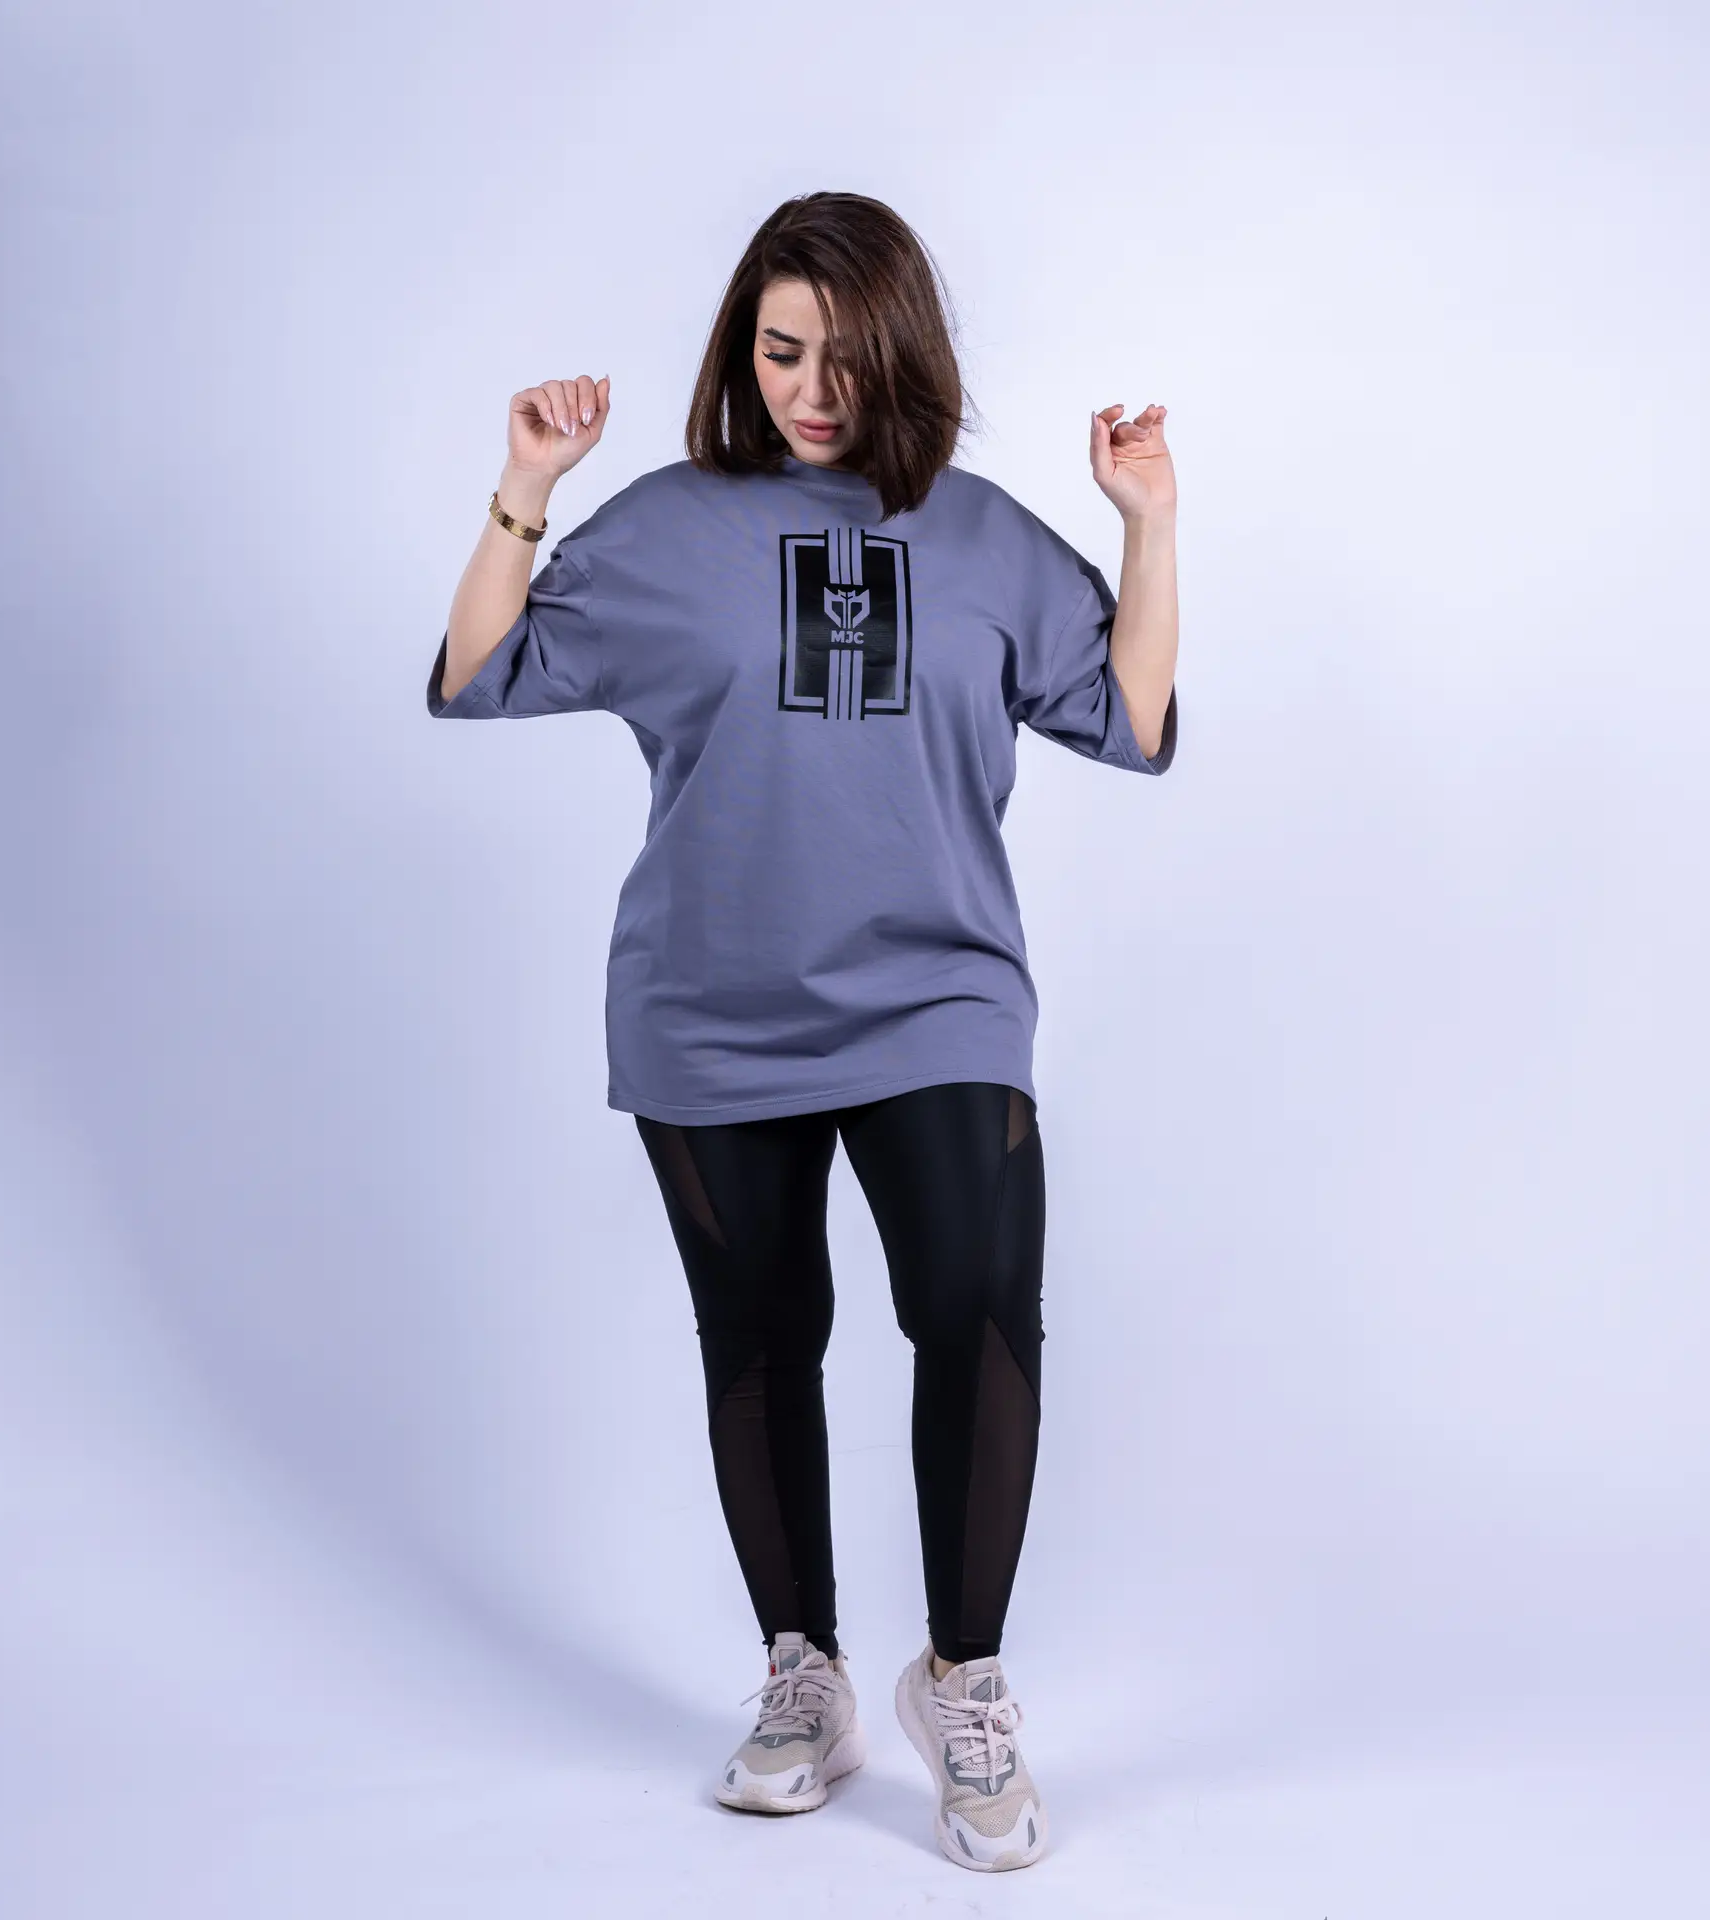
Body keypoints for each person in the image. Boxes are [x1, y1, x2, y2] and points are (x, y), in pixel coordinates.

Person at [425, 191, 1178, 1873]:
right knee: (762, 1338)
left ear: (909, 353)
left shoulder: (984, 538)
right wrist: (526, 489)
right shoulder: (665, 525)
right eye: (779, 352)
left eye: (845, 357)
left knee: (976, 1305)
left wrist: (1148, 526)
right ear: (739, 350)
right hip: (712, 1010)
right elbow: (476, 672)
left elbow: (1134, 720)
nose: (812, 391)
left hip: (940, 996)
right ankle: (806, 1677)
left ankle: (963, 1685)